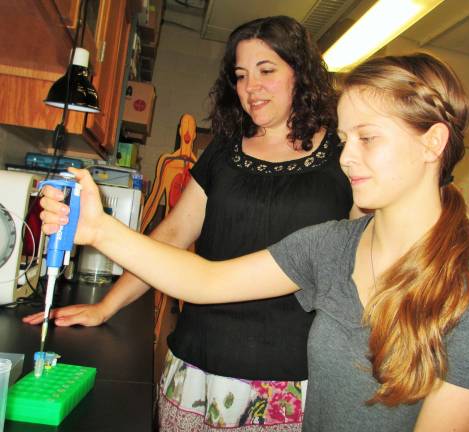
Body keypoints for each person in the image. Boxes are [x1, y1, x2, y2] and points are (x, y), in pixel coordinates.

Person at [39, 52, 469, 432]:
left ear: (432, 143)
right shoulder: (332, 246)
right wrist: (99, 229)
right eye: (344, 138)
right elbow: (205, 279)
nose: (345, 157)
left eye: (367, 139)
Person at [26, 16, 356, 431]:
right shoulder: (223, 151)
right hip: (198, 364)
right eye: (240, 75)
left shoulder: (345, 158)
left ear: (301, 73)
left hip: (292, 378)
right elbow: (174, 234)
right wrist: (106, 304)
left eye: (267, 70)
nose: (251, 87)